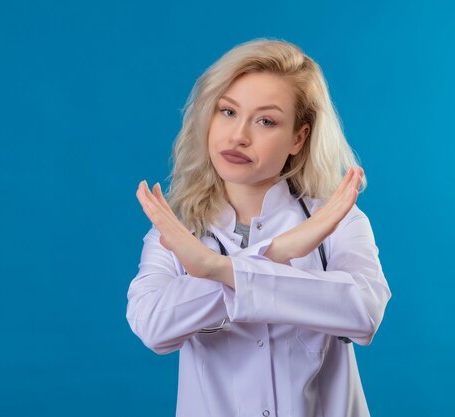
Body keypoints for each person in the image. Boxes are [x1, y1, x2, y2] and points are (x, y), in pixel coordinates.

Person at [126, 38, 391, 417]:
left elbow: (364, 313)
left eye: (266, 120)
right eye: (228, 111)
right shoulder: (177, 232)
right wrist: (277, 254)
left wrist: (217, 270)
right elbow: (152, 326)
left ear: (299, 137)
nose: (238, 136)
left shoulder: (336, 220)